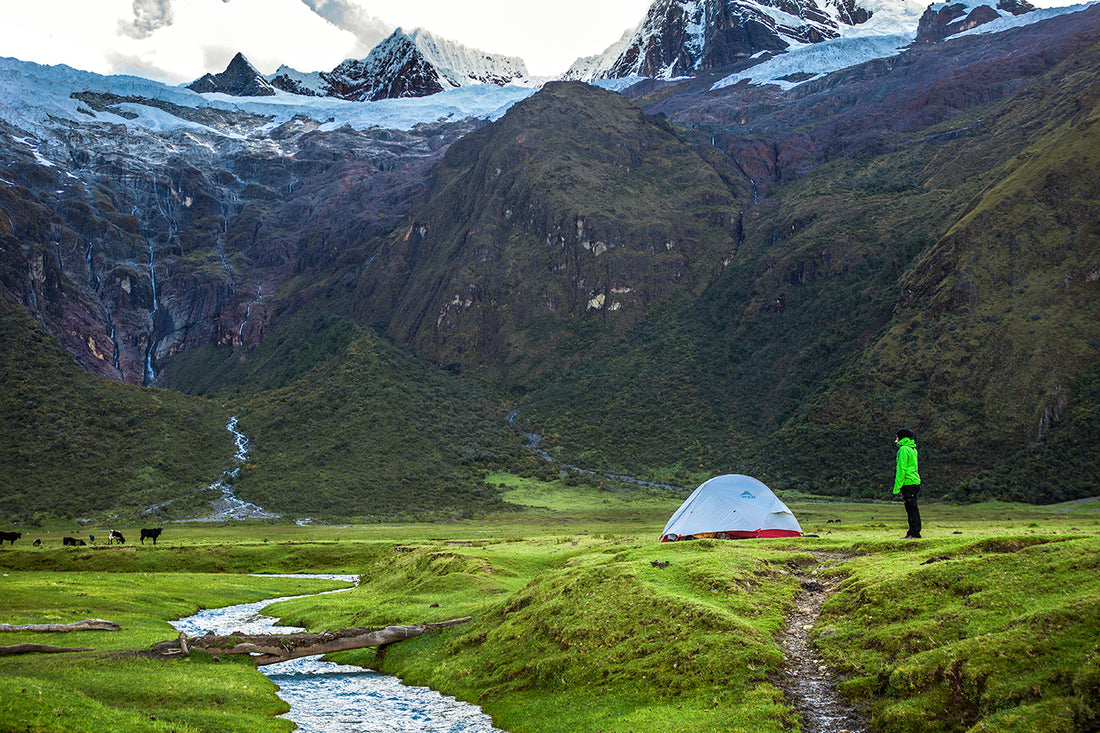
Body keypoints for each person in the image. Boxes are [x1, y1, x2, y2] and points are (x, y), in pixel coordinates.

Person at [893, 428, 921, 538]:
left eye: (897, 437)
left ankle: (915, 533)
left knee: (911, 509)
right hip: (914, 481)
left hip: (908, 483)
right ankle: (912, 532)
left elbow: (901, 469)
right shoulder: (913, 449)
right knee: (912, 508)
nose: (896, 440)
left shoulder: (904, 450)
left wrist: (897, 487)